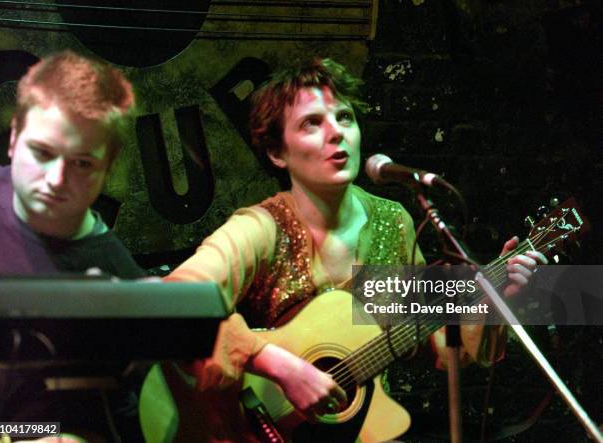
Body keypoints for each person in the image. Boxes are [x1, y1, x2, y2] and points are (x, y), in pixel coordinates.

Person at [148, 58, 547, 442]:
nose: (336, 132)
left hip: (361, 427)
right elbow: (173, 302)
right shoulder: (261, 228)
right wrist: (279, 364)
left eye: (345, 117)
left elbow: (438, 348)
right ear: (277, 153)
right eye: (311, 123)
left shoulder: (394, 222)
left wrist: (494, 306)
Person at [0, 50, 145, 442]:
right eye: (42, 153)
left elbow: (113, 422)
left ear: (106, 170)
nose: (56, 179)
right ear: (13, 140)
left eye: (81, 164)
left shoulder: (119, 284)